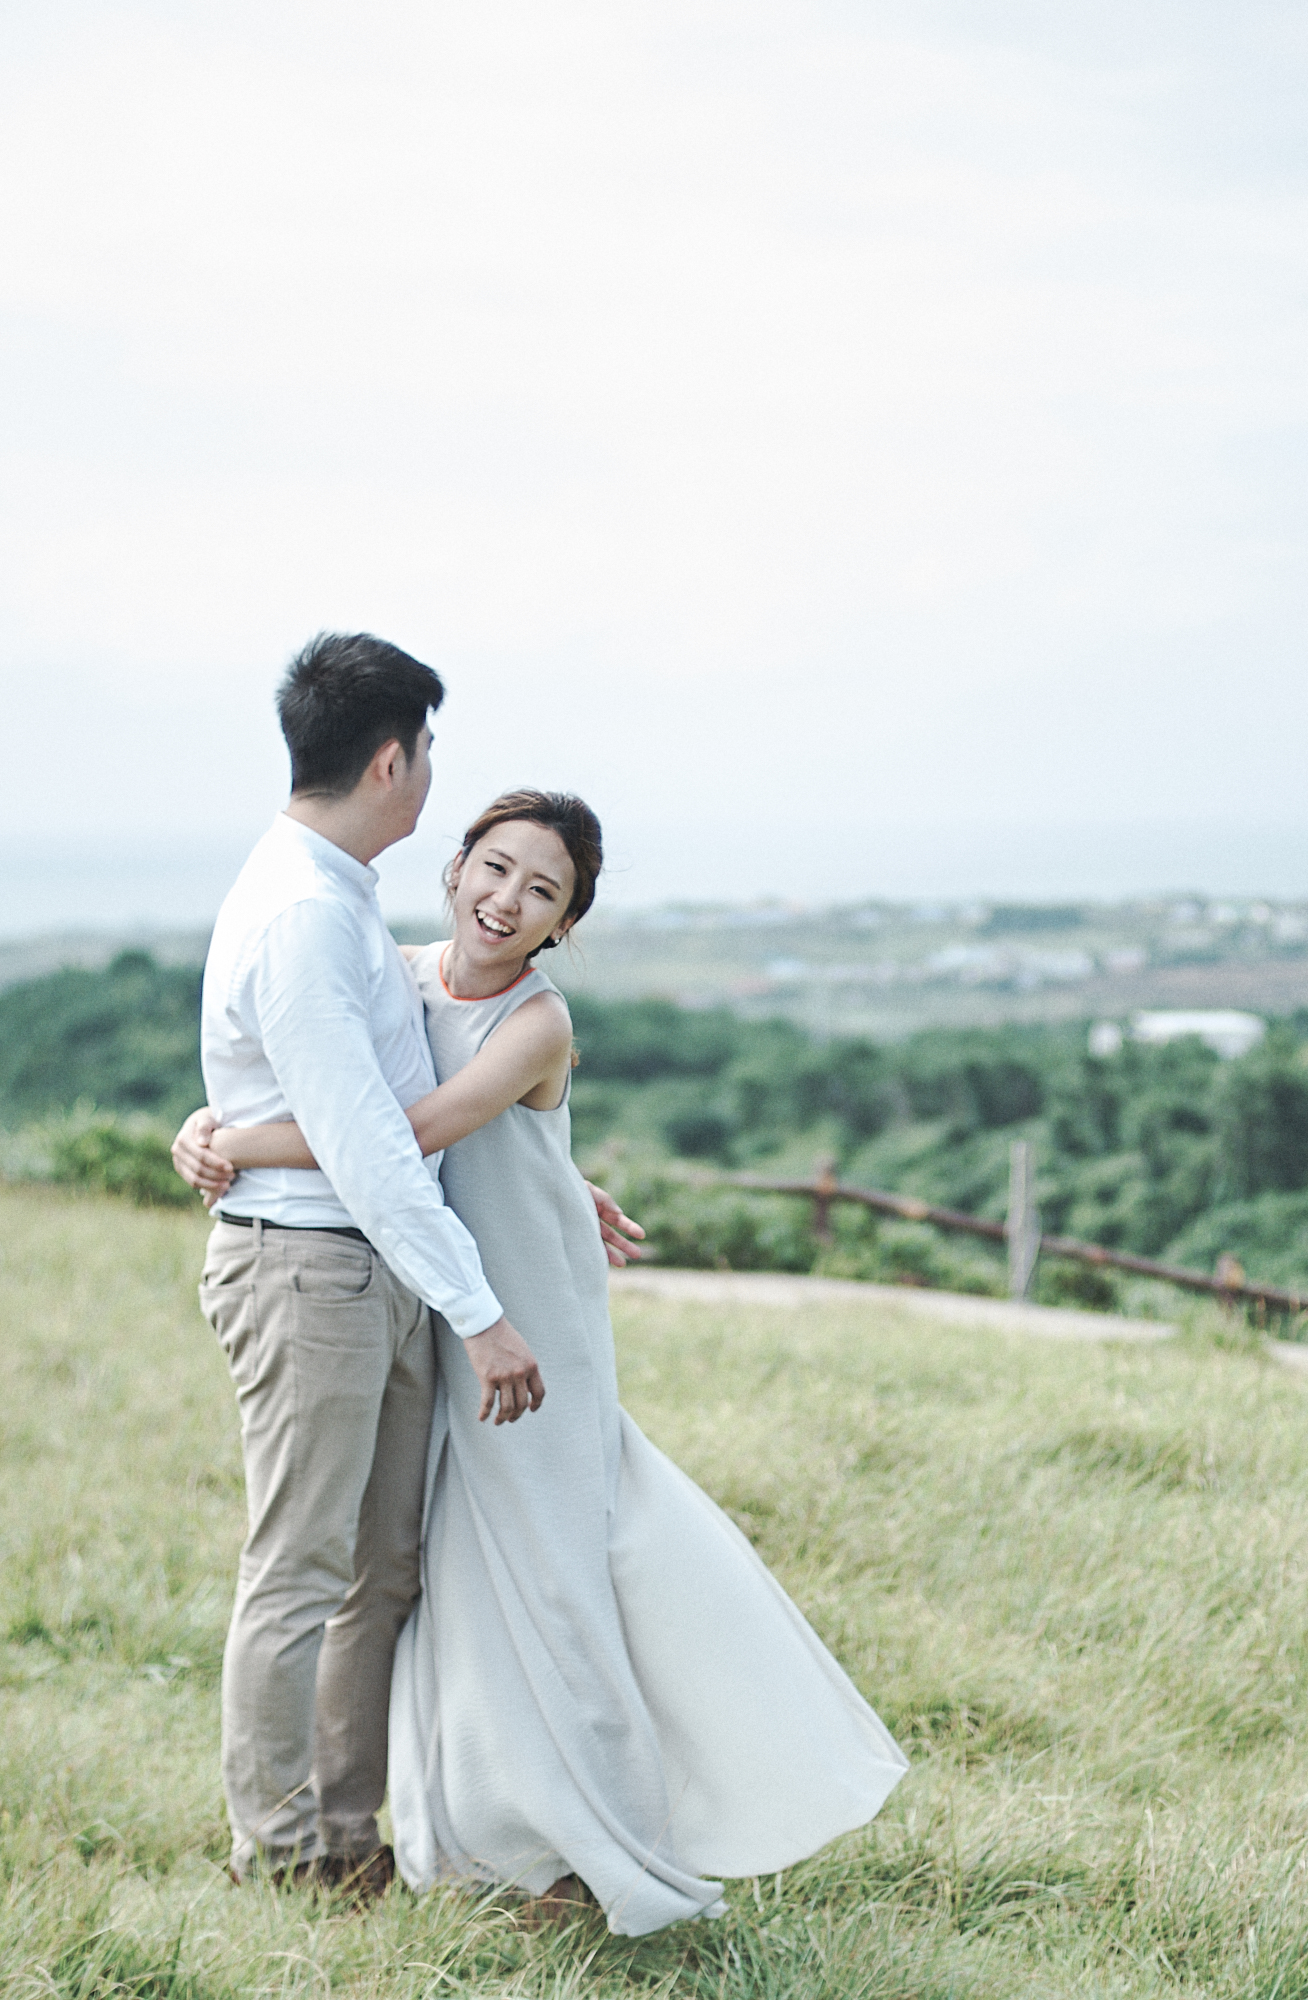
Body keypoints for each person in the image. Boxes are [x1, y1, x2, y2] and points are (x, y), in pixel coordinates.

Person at [178, 789, 908, 1935]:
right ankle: (486, 1838)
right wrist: (207, 1113)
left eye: (543, 891)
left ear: (566, 923)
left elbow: (411, 1129)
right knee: (448, 1586)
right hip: (441, 1310)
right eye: (496, 866)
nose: (507, 899)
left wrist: (231, 1139)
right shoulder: (399, 972)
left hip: (528, 1325)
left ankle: (605, 1858)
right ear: (456, 864)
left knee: (559, 1583)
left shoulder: (539, 1021)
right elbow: (321, 1072)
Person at [189, 634, 640, 1896]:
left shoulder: (344, 902)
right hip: (310, 1267)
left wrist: (547, 1179)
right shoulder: (305, 912)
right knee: (300, 1568)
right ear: (392, 761)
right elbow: (369, 1138)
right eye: (429, 749)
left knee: (380, 1568)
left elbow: (416, 1099)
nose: (434, 771)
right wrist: (481, 1312)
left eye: (539, 888)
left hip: (373, 1269)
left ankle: (346, 1833)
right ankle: (282, 1852)